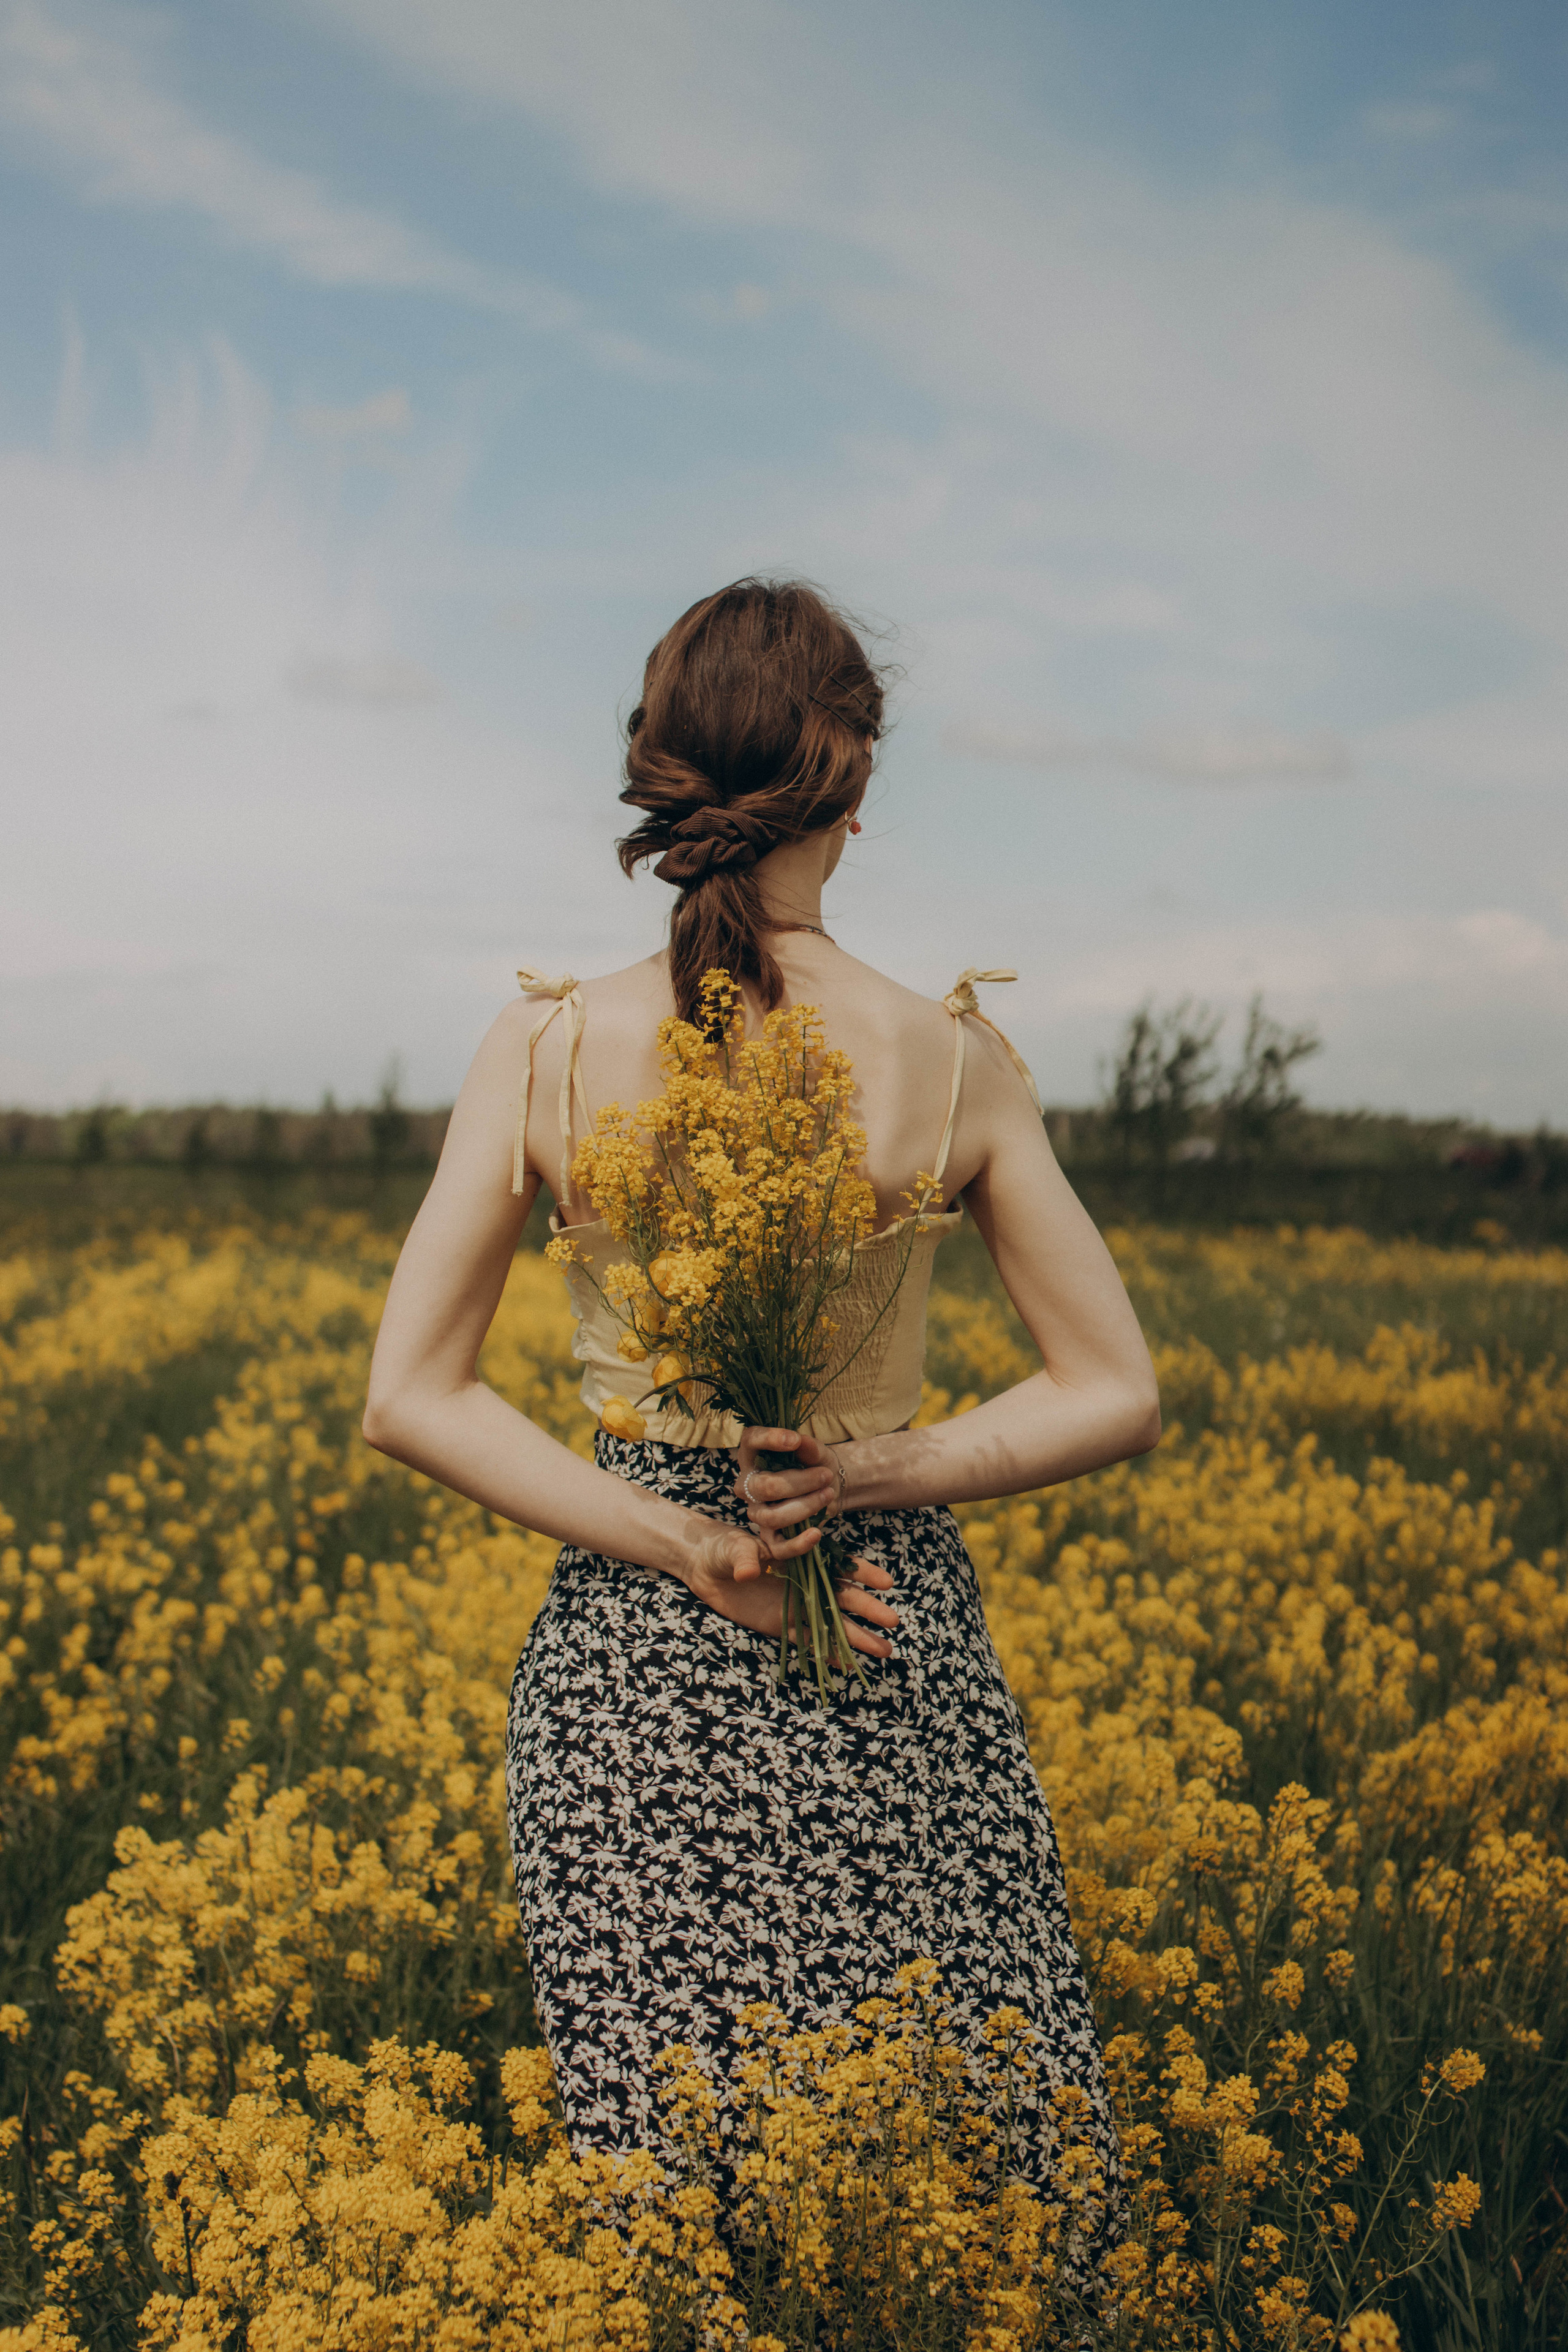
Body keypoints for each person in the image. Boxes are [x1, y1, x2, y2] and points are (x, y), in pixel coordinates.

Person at [363, 577, 1161, 2283]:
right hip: (886, 1629)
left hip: (627, 1662)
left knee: (685, 2234)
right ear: (855, 778)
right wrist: (874, 1472)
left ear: (661, 769)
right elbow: (1117, 1387)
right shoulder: (951, 1060)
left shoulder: (548, 1043)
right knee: (977, 2196)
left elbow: (407, 1397)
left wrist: (689, 1544)